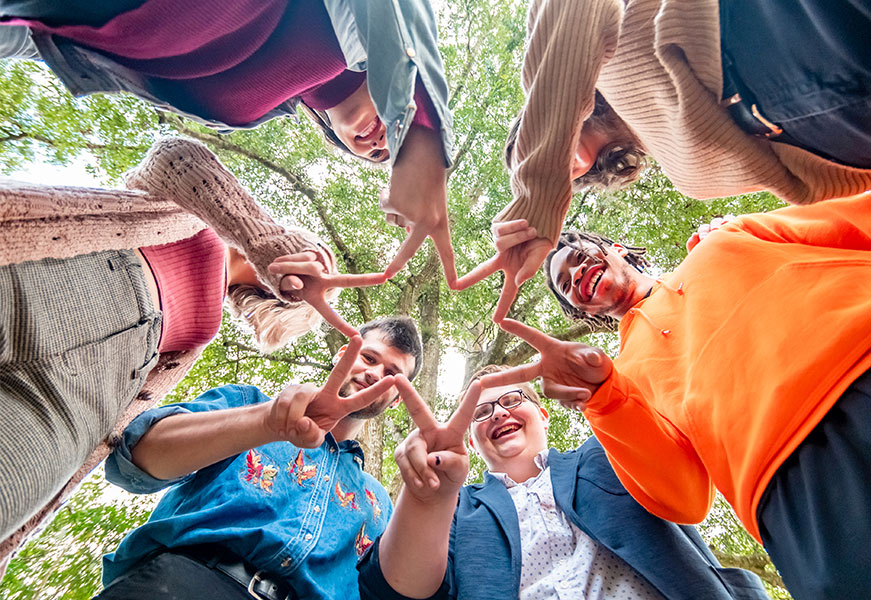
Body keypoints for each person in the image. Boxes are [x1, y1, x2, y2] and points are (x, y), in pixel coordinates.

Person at [0, 136, 380, 572]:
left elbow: (134, 431)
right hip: (58, 282)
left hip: (88, 391)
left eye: (323, 275)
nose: (316, 267)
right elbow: (173, 156)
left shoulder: (205, 330)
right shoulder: (194, 220)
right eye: (318, 258)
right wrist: (267, 241)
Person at [483, 192, 871, 599]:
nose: (577, 275)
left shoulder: (724, 241)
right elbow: (686, 499)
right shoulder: (621, 383)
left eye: (579, 258)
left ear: (615, 249)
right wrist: (600, 398)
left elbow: (853, 220)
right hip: (789, 491)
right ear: (583, 311)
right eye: (566, 284)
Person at [456, 0, 871, 321]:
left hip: (771, 34)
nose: (543, 161)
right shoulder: (677, 169)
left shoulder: (596, 55)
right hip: (843, 137)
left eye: (530, 148)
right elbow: (795, 179)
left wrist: (536, 187)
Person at [0, 0, 458, 286]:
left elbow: (81, 50)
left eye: (377, 156)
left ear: (335, 138)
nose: (382, 145)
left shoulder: (247, 115)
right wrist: (419, 139)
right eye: (391, 144)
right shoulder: (358, 30)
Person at [358, 365, 768, 599]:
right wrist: (429, 498)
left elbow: (683, 423)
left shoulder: (606, 453)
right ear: (470, 439)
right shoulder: (457, 509)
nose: (498, 413)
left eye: (512, 400)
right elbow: (398, 589)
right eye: (481, 413)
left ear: (544, 415)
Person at [95, 316, 422, 600]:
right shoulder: (246, 403)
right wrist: (265, 423)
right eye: (368, 357)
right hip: (183, 582)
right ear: (341, 355)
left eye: (393, 374)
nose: (376, 373)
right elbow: (135, 460)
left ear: (397, 400)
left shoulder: (381, 505)